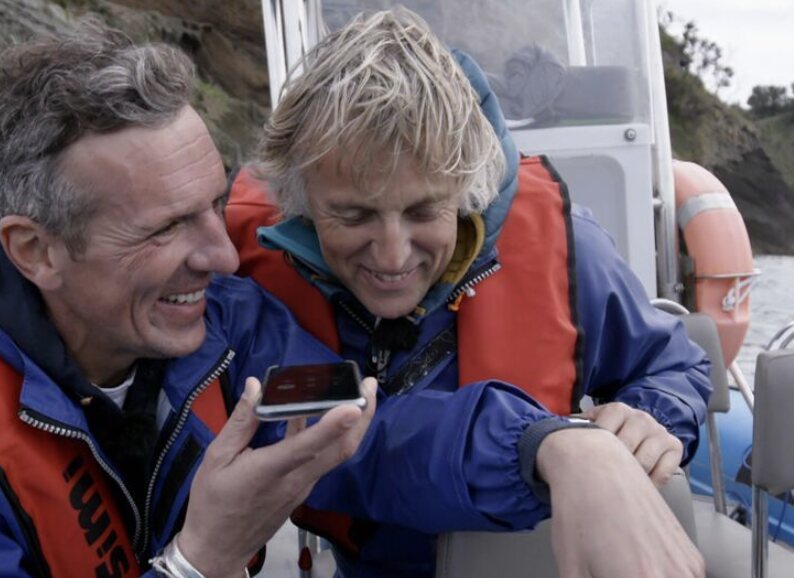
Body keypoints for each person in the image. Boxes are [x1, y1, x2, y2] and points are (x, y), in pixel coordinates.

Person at [0, 16, 702, 578]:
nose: (225, 255)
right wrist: (202, 558)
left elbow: (369, 431)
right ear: (37, 252)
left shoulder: (222, 332)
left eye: (214, 207)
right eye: (164, 229)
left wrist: (558, 449)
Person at [225, 8, 711, 578]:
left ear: (467, 189)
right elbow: (353, 440)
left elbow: (672, 364)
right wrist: (546, 447)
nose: (391, 254)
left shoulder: (570, 248)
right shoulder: (258, 286)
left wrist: (651, 419)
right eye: (353, 214)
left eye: (424, 210)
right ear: (301, 196)